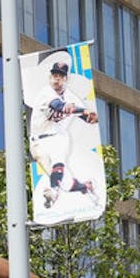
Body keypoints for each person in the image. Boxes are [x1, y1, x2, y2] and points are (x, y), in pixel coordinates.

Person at [29, 58, 100, 213]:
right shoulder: (45, 92)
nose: (57, 78)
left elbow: (85, 116)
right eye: (54, 75)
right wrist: (81, 110)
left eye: (60, 76)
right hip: (37, 142)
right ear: (50, 77)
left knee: (58, 162)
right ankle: (85, 187)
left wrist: (90, 117)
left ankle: (53, 192)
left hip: (57, 136)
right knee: (65, 183)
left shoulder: (71, 96)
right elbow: (59, 106)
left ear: (66, 79)